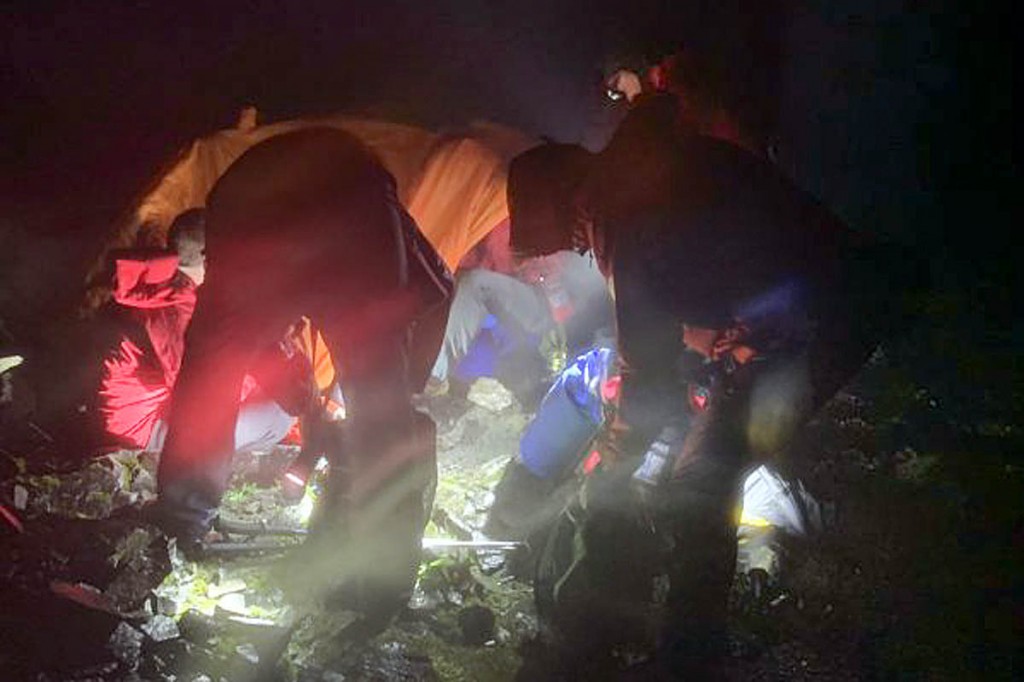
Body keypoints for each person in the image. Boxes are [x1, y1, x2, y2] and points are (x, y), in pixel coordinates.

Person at [506, 47, 925, 674]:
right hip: (817, 295)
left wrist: (609, 464)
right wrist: (638, 88)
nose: (572, 250)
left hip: (826, 314)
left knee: (702, 481)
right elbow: (660, 115)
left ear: (568, 206)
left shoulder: (618, 222)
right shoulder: (633, 157)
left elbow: (644, 376)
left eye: (563, 238)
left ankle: (689, 659)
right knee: (700, 460)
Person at [151, 128, 453, 622]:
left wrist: (325, 407)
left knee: (215, 364)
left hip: (256, 199)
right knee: (380, 406)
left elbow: (272, 348)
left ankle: (182, 521)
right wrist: (397, 393)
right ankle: (384, 579)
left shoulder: (362, 211)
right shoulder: (386, 225)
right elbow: (438, 289)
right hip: (334, 202)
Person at [96, 209, 296, 454]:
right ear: (207, 256)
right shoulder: (177, 310)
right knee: (280, 416)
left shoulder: (165, 279)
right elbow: (201, 392)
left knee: (278, 391)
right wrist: (260, 368)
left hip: (154, 405)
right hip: (144, 424)